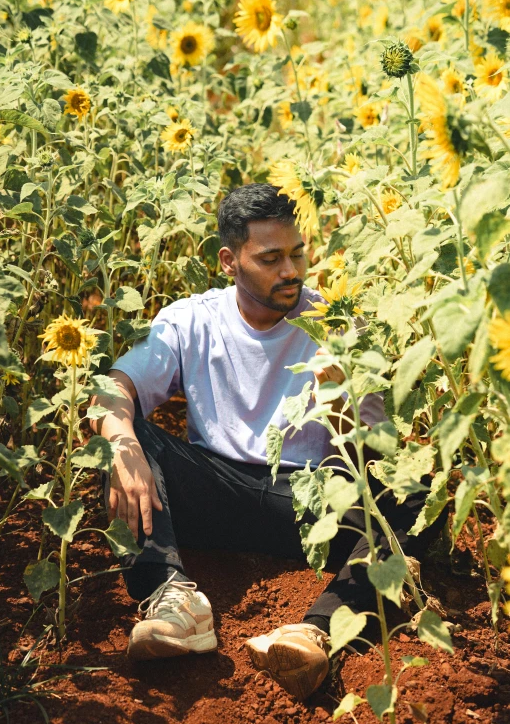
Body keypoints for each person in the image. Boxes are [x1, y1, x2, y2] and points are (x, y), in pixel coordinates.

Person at [88, 183, 442, 701]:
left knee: (413, 489)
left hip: (306, 507)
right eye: (271, 258)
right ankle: (172, 601)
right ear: (230, 260)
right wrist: (122, 444)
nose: (291, 271)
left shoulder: (334, 323)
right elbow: (113, 388)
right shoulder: (191, 319)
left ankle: (314, 631)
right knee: (123, 437)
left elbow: (373, 459)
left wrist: (343, 400)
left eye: (297, 253)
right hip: (214, 488)